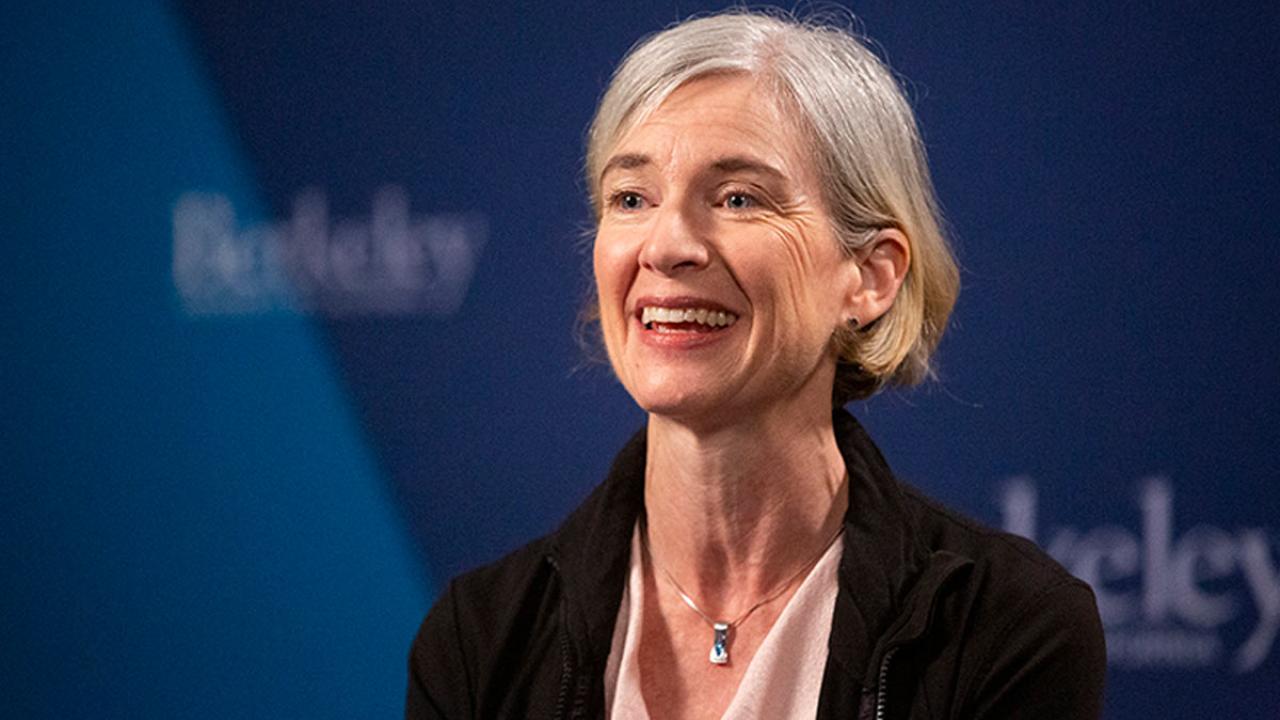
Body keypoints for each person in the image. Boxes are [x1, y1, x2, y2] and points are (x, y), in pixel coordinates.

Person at [406, 9, 1105, 719]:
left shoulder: (1008, 629)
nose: (667, 245)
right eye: (631, 198)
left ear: (870, 275)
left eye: (739, 198)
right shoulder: (480, 640)